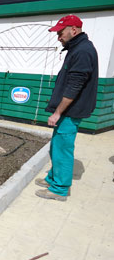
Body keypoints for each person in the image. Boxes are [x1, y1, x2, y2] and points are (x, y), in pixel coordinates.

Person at [35, 15, 98, 201]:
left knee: (63, 148)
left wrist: (58, 112)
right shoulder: (76, 48)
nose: (58, 37)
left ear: (74, 30)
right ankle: (53, 178)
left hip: (70, 111)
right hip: (68, 110)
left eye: (61, 32)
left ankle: (59, 189)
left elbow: (75, 85)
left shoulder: (83, 51)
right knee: (56, 145)